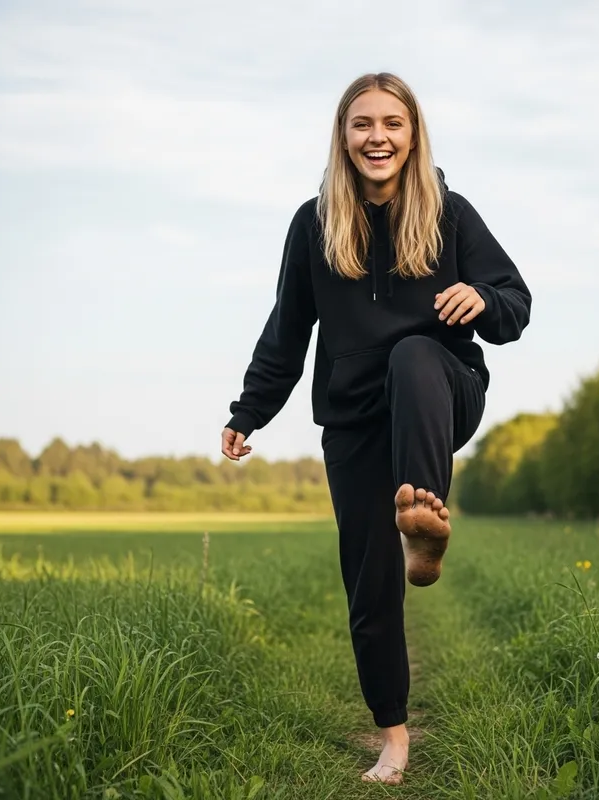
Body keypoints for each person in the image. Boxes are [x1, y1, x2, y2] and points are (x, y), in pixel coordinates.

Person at [220, 72, 531, 785]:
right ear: (343, 136)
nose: (377, 136)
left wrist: (482, 298)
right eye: (362, 123)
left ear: (413, 135)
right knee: (368, 578)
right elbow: (287, 331)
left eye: (392, 123)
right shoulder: (314, 224)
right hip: (355, 419)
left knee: (413, 352)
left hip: (440, 393)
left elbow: (515, 304)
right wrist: (249, 411)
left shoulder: (451, 215)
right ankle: (393, 734)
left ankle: (423, 515)